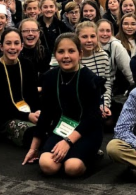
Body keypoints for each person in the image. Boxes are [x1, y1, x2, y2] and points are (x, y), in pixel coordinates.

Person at [22, 34, 103, 178]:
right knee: (47, 165)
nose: (66, 56)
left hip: (86, 131)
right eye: (61, 52)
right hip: (62, 128)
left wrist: (68, 142)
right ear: (55, 55)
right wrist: (33, 149)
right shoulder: (50, 77)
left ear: (80, 54)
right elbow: (46, 114)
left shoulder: (90, 79)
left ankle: (90, 156)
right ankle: (68, 156)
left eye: (71, 51)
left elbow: (91, 118)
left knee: (72, 168)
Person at [0, 28, 40, 147]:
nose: (12, 47)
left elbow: (33, 95)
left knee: (52, 126)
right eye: (8, 43)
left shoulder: (27, 65)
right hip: (5, 118)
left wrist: (37, 112)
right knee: (33, 134)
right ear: (1, 47)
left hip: (29, 113)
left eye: (16, 43)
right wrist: (27, 116)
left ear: (21, 46)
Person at [75, 22, 113, 121]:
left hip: (99, 102)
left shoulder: (103, 56)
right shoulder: (74, 58)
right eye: (84, 37)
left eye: (92, 36)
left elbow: (107, 84)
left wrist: (105, 105)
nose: (89, 40)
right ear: (77, 38)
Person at [97, 19, 134, 102]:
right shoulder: (90, 44)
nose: (105, 34)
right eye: (101, 31)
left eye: (108, 31)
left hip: (108, 88)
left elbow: (128, 69)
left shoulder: (116, 45)